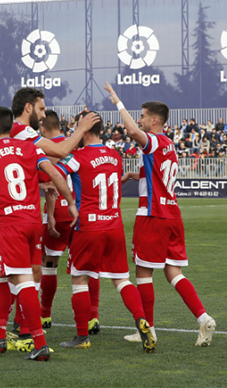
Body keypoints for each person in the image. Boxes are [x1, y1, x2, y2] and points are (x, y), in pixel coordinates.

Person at [103, 82, 216, 347]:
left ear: (154, 120)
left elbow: (131, 130)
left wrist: (117, 102)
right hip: (172, 214)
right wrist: (136, 174)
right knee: (173, 272)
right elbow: (159, 174)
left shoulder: (152, 140)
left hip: (152, 215)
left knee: (142, 273)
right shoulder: (169, 144)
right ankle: (203, 318)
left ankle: (148, 329)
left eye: (142, 115)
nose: (139, 119)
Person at [0, 106, 76, 362]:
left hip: (11, 223)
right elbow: (53, 173)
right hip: (32, 220)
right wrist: (71, 202)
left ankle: (39, 343)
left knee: (22, 278)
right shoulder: (31, 148)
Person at [54, 110, 155, 352]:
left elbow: (55, 173)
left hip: (88, 226)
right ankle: (143, 321)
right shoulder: (114, 155)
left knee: (79, 279)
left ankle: (81, 337)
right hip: (114, 225)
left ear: (85, 129)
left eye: (78, 127)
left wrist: (68, 199)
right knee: (122, 279)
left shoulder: (78, 157)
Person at [38, 110, 100, 334]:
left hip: (61, 214)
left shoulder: (45, 147)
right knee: (87, 268)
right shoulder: (75, 144)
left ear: (43, 128)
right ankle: (92, 316)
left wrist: (52, 214)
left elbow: (52, 183)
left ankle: (44, 314)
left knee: (49, 264)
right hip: (83, 214)